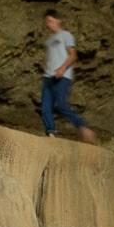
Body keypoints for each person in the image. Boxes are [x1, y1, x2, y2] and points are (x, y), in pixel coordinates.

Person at [40, 9, 96, 143]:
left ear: (58, 20)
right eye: (47, 22)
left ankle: (82, 126)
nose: (48, 24)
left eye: (50, 21)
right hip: (48, 77)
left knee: (60, 105)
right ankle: (51, 133)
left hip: (62, 76)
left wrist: (62, 68)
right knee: (45, 107)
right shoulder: (49, 41)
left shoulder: (66, 35)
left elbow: (73, 55)